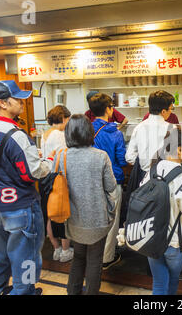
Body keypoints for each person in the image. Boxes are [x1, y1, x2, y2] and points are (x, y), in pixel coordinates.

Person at [0, 80, 54, 295]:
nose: (21, 103)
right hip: (21, 205)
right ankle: (24, 291)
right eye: (17, 99)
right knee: (26, 258)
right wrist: (48, 161)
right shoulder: (15, 134)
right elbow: (32, 173)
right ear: (2, 103)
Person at [141, 127, 182, 295]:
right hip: (175, 241)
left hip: (151, 238)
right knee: (172, 281)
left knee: (159, 283)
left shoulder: (151, 170)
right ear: (178, 149)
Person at [61, 114, 117, 295]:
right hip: (97, 219)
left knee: (78, 257)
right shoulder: (100, 156)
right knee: (94, 260)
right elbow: (111, 186)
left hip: (73, 220)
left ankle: (73, 292)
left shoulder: (62, 156)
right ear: (89, 132)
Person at [89, 93, 127, 270]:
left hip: (91, 181)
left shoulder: (87, 129)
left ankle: (94, 256)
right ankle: (106, 258)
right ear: (108, 109)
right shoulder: (114, 132)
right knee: (112, 221)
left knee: (95, 219)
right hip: (112, 181)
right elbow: (121, 158)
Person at [41, 105, 73, 263]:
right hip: (58, 177)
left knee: (50, 214)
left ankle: (56, 249)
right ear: (63, 118)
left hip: (45, 178)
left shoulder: (45, 134)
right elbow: (64, 158)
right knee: (62, 213)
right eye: (68, 119)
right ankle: (66, 251)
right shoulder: (59, 134)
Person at [126, 90, 175, 173]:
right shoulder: (172, 129)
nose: (171, 112)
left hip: (144, 177)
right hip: (164, 177)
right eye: (171, 109)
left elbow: (129, 157)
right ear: (163, 111)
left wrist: (144, 164)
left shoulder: (139, 127)